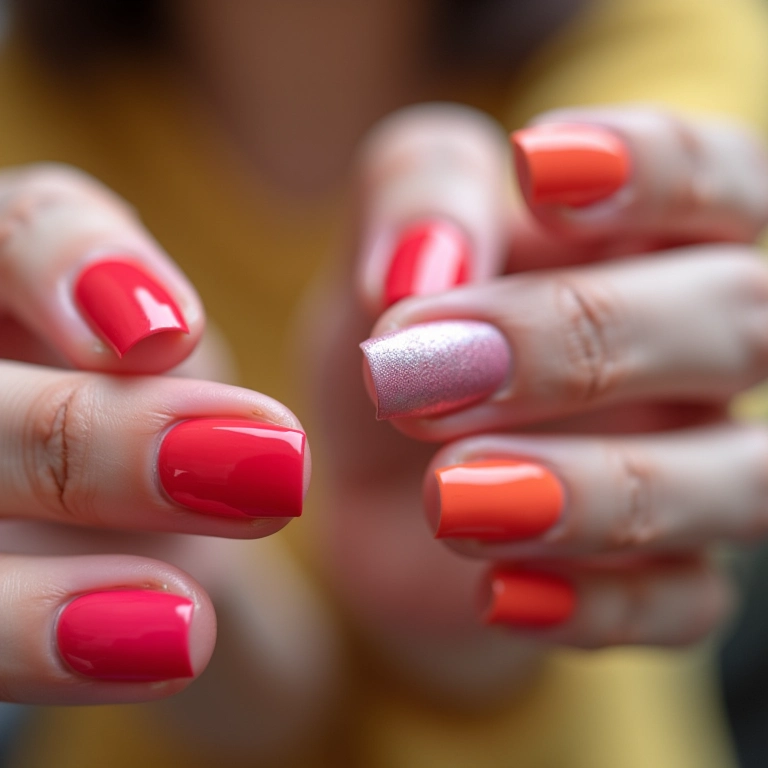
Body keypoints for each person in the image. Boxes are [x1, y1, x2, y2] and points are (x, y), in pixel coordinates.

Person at [0, 0, 767, 765]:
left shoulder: (665, 38)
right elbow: (233, 687)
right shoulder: (25, 107)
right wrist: (202, 630)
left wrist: (478, 619)